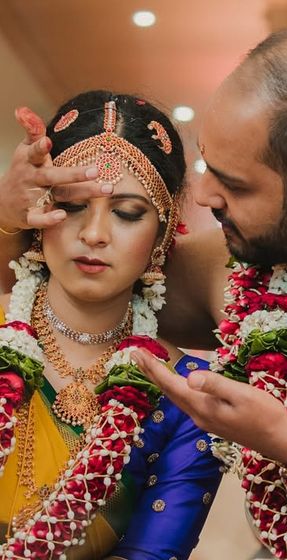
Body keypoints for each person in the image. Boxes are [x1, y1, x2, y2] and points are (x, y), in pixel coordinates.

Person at [1, 29, 287, 559]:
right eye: (205, 165)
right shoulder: (228, 266)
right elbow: (65, 281)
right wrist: (7, 214)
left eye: (235, 184)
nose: (203, 195)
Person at [0, 90, 222, 560]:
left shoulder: (185, 397)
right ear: (37, 213)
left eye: (126, 213)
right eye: (73, 205)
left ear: (162, 234)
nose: (94, 233)